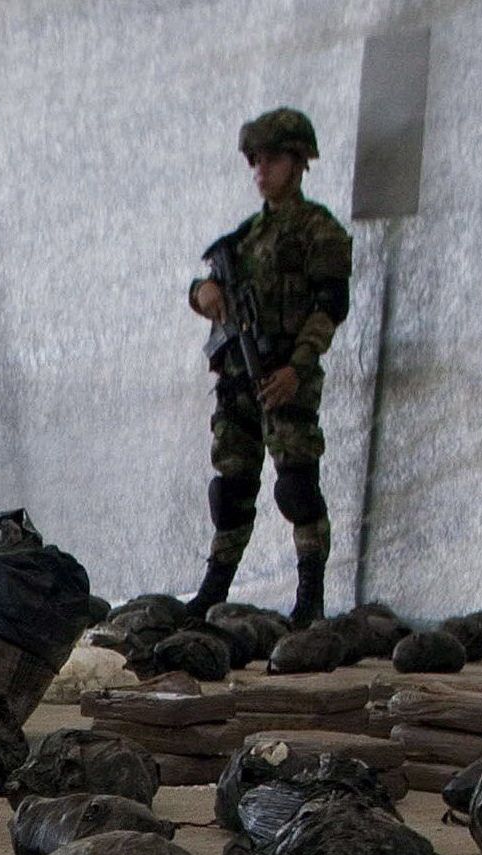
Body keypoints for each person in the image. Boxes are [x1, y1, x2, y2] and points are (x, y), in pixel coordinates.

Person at [184, 108, 353, 623]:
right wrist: (203, 293)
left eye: (273, 159)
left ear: (300, 162)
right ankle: (212, 592)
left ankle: (310, 598)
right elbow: (203, 287)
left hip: (284, 376)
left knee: (297, 486)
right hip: (238, 376)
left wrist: (296, 370)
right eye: (255, 161)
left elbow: (330, 309)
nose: (262, 170)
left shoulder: (319, 231)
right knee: (231, 488)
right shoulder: (243, 239)